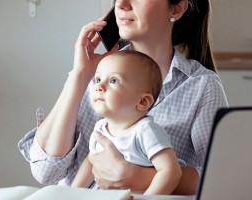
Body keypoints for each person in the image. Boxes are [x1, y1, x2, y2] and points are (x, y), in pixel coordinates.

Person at [17, 0, 228, 194]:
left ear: (177, 9)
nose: (121, 3)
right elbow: (45, 171)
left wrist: (135, 176)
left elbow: (218, 177)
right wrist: (80, 75)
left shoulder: (200, 87)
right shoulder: (95, 76)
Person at [71, 50, 182, 194]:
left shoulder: (146, 131)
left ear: (143, 101)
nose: (99, 87)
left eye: (113, 81)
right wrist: (72, 193)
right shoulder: (101, 128)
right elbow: (92, 160)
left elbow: (171, 172)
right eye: (98, 79)